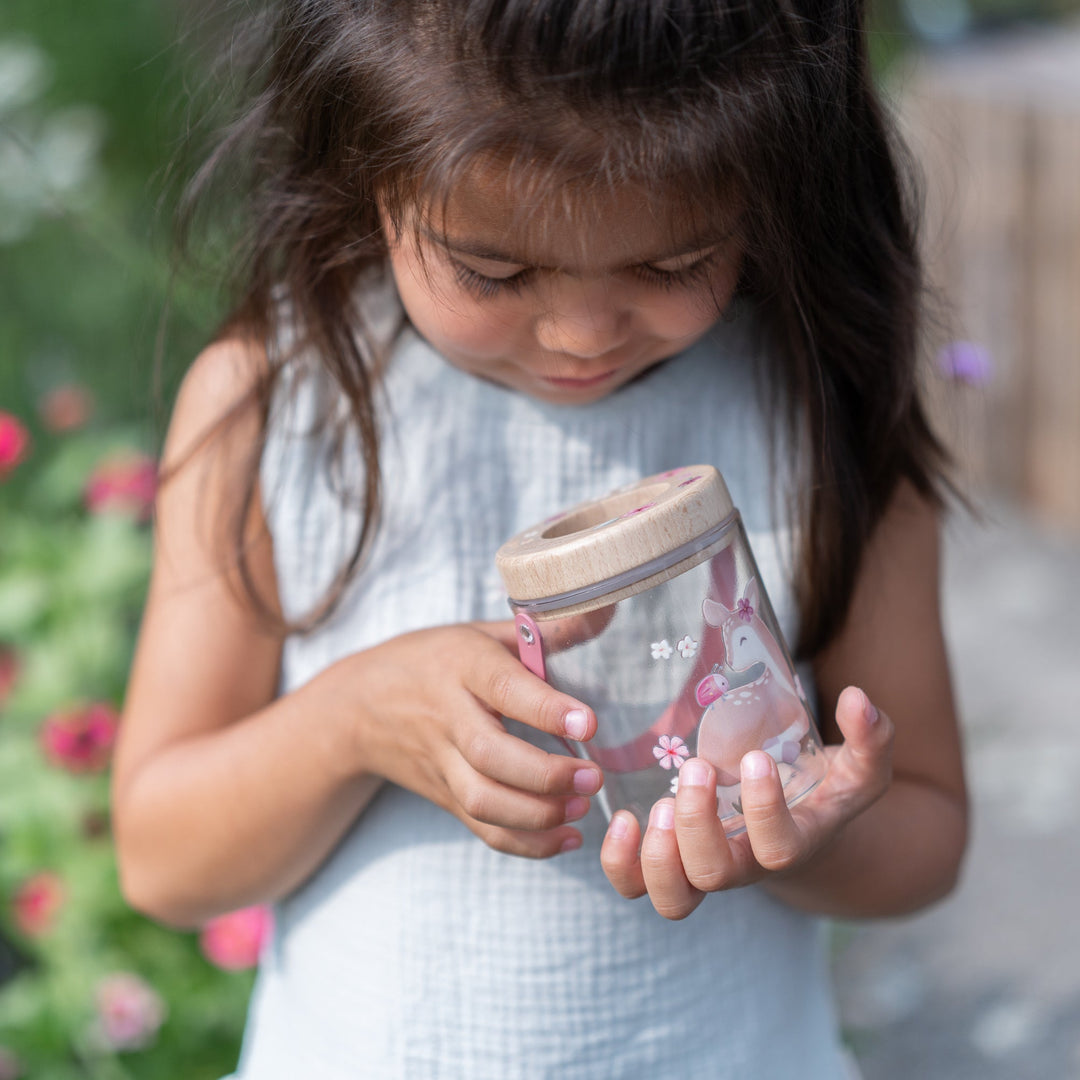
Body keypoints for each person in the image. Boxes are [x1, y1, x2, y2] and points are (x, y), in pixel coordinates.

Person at [112, 2, 969, 1077]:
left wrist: (807, 833)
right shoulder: (276, 407)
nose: (580, 333)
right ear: (364, 178)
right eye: (494, 271)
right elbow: (162, 859)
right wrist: (351, 722)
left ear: (774, 192)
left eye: (671, 264)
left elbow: (928, 834)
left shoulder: (817, 414)